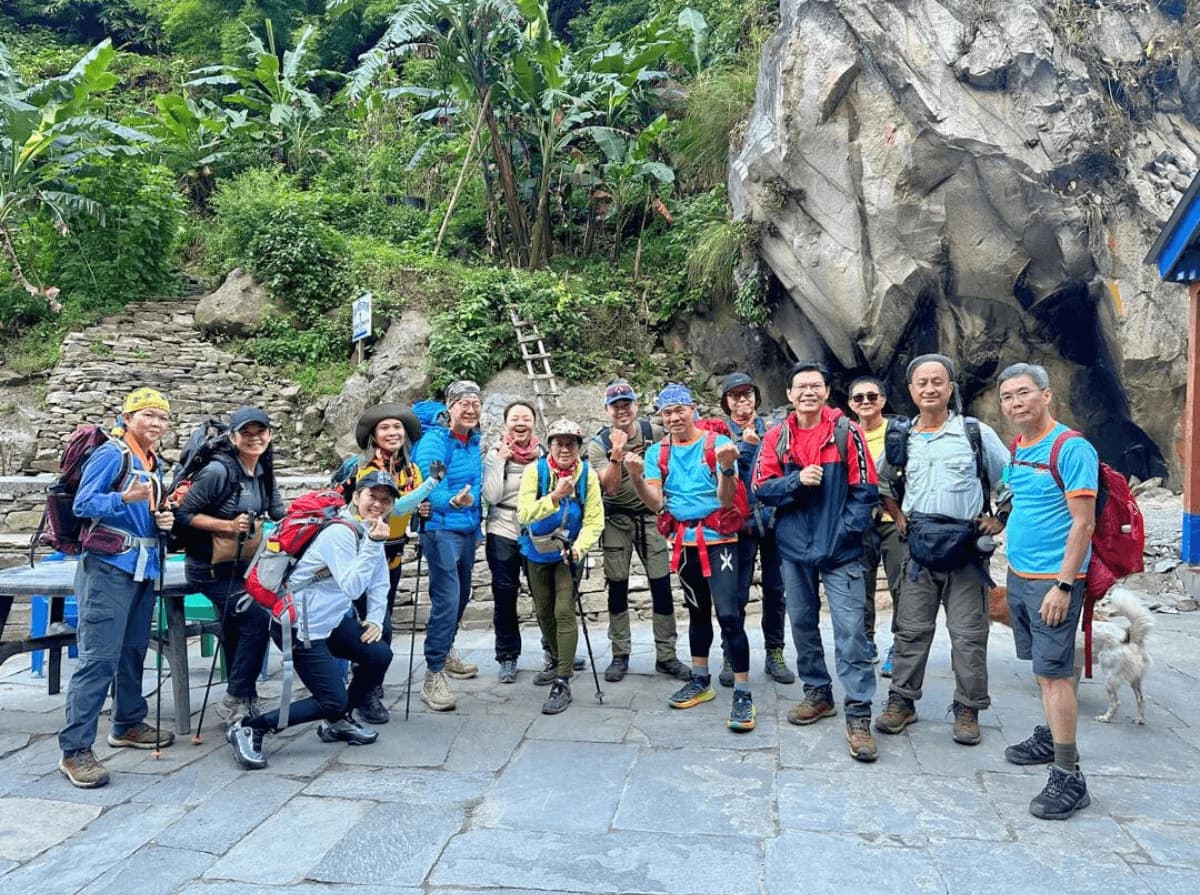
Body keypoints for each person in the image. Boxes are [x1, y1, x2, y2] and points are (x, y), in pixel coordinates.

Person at [873, 354, 1008, 747]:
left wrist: (1000, 518)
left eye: (938, 381)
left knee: (968, 634)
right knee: (910, 630)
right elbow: (883, 483)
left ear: (950, 388)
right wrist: (897, 516)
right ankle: (902, 701)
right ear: (911, 390)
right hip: (919, 548)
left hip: (965, 549)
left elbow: (1010, 478)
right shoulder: (902, 437)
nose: (929, 388)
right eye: (921, 383)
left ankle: (968, 708)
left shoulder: (974, 433)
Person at [226, 471, 399, 770]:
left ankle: (337, 721)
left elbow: (379, 580)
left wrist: (375, 620)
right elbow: (353, 587)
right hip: (299, 628)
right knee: (332, 699)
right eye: (373, 496)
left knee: (378, 655)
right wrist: (372, 542)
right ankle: (252, 726)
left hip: (327, 622)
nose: (379, 505)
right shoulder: (341, 533)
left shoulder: (368, 528)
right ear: (357, 497)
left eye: (386, 500)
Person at [754, 362, 880, 762]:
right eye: (800, 386)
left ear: (827, 392)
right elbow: (760, 489)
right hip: (793, 549)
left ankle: (858, 711)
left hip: (840, 550)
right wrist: (796, 480)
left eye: (816, 385)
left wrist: (844, 533)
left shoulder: (847, 433)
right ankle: (818, 692)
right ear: (789, 394)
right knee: (803, 624)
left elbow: (865, 490)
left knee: (850, 631)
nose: (808, 392)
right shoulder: (776, 437)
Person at [58, 387, 177, 788]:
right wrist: (125, 497)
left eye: (162, 417)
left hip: (142, 568)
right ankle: (74, 751)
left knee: (132, 652)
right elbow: (83, 504)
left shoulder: (153, 461)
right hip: (107, 568)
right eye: (148, 415)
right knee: (98, 660)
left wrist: (163, 522)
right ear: (128, 418)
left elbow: (147, 512)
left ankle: (127, 723)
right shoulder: (112, 454)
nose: (156, 423)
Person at [998, 362, 1098, 820]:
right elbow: (1019, 500)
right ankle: (1049, 733)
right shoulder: (1020, 447)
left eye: (1023, 393)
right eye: (1007, 397)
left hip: (1052, 583)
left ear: (1046, 395)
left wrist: (1062, 584)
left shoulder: (1071, 447)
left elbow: (1084, 523)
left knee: (1055, 673)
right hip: (1020, 576)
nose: (1015, 403)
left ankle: (1068, 774)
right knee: (1045, 668)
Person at [625, 383, 756, 732]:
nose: (673, 418)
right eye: (667, 413)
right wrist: (636, 477)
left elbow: (727, 501)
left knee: (729, 614)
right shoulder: (658, 453)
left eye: (679, 410)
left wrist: (727, 469)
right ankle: (700, 679)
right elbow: (655, 503)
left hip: (721, 539)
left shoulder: (716, 446)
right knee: (697, 613)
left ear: (692, 409)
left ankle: (742, 691)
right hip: (685, 543)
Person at [176, 406, 286, 727]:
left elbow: (278, 512)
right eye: (246, 433)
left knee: (241, 624)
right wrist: (226, 526)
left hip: (243, 566)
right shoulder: (217, 471)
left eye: (260, 432)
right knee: (256, 617)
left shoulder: (263, 468)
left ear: (269, 434)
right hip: (208, 568)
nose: (254, 438)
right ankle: (236, 698)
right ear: (234, 437)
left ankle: (246, 696)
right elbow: (184, 514)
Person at [333, 402, 431, 722]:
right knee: (369, 624)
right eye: (385, 427)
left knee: (380, 621)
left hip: (392, 557)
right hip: (357, 555)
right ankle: (362, 689)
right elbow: (395, 508)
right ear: (374, 435)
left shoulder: (412, 471)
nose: (392, 433)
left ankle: (368, 686)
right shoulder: (359, 468)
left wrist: (423, 510)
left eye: (397, 428)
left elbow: (408, 510)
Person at [586, 379, 689, 683]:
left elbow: (676, 458)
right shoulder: (599, 444)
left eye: (626, 404)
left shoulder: (653, 433)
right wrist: (617, 454)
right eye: (615, 406)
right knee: (617, 588)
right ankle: (620, 654)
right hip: (616, 520)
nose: (622, 410)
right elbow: (611, 486)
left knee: (661, 587)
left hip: (650, 519)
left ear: (635, 406)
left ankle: (667, 655)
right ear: (607, 410)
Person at [516, 419, 604, 714]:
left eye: (571, 443)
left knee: (563, 610)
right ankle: (556, 659)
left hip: (569, 553)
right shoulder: (535, 471)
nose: (565, 448)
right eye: (559, 443)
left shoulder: (586, 475)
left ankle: (563, 680)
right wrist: (554, 497)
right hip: (537, 551)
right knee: (543, 611)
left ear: (579, 447)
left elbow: (594, 519)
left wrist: (579, 549)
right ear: (549, 445)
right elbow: (525, 513)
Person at [412, 380, 484, 712]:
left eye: (476, 404)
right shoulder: (434, 441)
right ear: (449, 407)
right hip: (440, 529)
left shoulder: (472, 442)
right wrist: (452, 501)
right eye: (464, 404)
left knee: (462, 595)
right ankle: (433, 674)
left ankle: (446, 650)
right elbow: (424, 486)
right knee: (447, 599)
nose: (470, 409)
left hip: (467, 529)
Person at [716, 372, 793, 686]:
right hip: (739, 525)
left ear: (756, 399)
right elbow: (726, 475)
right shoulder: (720, 436)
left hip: (774, 521)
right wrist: (746, 449)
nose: (741, 400)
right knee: (736, 594)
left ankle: (775, 651)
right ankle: (730, 652)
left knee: (776, 590)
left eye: (747, 394)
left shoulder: (775, 431)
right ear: (726, 403)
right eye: (734, 396)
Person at [847, 375, 905, 672]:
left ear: (882, 400)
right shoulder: (847, 435)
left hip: (894, 521)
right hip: (860, 522)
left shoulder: (898, 433)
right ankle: (866, 640)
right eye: (859, 398)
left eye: (872, 396)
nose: (866, 402)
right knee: (861, 585)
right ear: (850, 404)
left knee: (901, 585)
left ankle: (900, 645)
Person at [482, 400, 540, 683]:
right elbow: (491, 497)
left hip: (537, 529)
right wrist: (500, 461)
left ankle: (555, 650)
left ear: (533, 423)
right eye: (515, 418)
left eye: (526, 418)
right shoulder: (495, 454)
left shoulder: (544, 454)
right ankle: (507, 656)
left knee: (545, 592)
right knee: (505, 595)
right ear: (505, 423)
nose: (520, 423)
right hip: (503, 527)